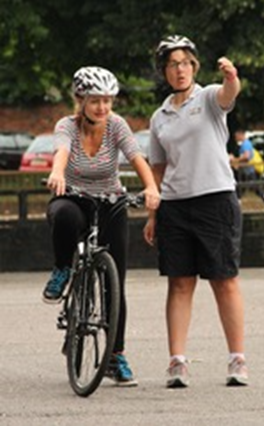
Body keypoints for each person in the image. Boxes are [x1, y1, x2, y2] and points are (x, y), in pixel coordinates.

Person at [42, 66, 160, 386]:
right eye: (95, 100)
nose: (102, 107)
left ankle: (116, 355)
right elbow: (62, 151)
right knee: (64, 214)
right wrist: (58, 174)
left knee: (115, 283)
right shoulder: (66, 125)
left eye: (107, 100)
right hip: (74, 197)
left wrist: (150, 188)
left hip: (111, 201)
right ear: (80, 99)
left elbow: (137, 159)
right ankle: (63, 269)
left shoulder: (116, 126)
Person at [143, 35, 248, 388]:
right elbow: (157, 168)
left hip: (215, 199)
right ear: (164, 71)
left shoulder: (207, 98)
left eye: (186, 62)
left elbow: (228, 95)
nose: (180, 70)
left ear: (195, 67)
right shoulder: (159, 116)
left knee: (224, 279)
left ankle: (237, 359)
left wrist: (231, 76)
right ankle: (177, 362)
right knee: (180, 282)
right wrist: (154, 213)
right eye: (173, 64)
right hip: (174, 205)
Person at [232, 129, 264, 211]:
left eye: (236, 135)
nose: (235, 138)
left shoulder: (245, 144)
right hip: (248, 171)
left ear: (240, 134)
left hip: (248, 172)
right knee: (248, 190)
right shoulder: (246, 144)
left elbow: (246, 157)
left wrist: (235, 160)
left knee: (242, 189)